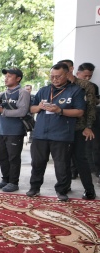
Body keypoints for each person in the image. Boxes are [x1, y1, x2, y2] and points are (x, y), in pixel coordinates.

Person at [27, 63, 86, 201]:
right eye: (52, 76)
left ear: (66, 74)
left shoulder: (75, 91)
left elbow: (80, 112)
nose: (54, 79)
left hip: (61, 135)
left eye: (58, 76)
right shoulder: (44, 90)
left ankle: (62, 190)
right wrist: (39, 107)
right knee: (37, 163)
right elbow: (31, 109)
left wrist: (60, 110)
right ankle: (34, 188)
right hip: (40, 134)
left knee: (62, 165)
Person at [59, 59, 96, 200]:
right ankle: (64, 186)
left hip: (79, 128)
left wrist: (88, 127)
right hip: (61, 128)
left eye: (64, 68)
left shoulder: (86, 86)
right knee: (63, 160)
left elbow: (91, 108)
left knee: (81, 159)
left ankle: (89, 190)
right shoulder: (58, 85)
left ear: (71, 69)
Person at [0, 68, 31, 192]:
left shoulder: (23, 93)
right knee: (1, 156)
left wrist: (2, 111)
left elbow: (22, 111)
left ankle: (14, 182)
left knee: (13, 158)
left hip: (15, 130)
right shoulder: (3, 94)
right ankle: (5, 179)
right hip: (2, 130)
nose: (6, 78)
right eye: (6, 76)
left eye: (9, 76)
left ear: (18, 78)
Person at [76, 63, 100, 177]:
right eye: (85, 75)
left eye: (90, 76)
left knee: (91, 146)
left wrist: (93, 99)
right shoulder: (71, 85)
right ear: (78, 73)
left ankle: (93, 170)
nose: (87, 78)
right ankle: (73, 172)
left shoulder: (93, 86)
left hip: (89, 120)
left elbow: (94, 104)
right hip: (75, 120)